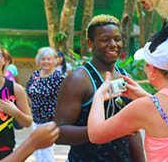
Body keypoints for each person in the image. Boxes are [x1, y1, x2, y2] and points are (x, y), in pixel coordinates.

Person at [87, 36, 168, 162]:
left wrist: (99, 95)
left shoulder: (146, 107)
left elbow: (95, 134)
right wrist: (146, 96)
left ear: (152, 70)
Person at [53, 15, 144, 161]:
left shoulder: (125, 77)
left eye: (117, 39)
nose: (113, 44)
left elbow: (133, 131)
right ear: (90, 43)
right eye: (104, 40)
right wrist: (106, 130)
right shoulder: (78, 80)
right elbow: (58, 133)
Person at [26, 47, 65, 162]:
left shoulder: (59, 77)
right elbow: (28, 90)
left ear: (55, 61)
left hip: (50, 120)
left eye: (49, 59)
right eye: (43, 59)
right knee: (37, 148)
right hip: (36, 118)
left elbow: (66, 97)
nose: (46, 62)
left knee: (46, 150)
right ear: (39, 60)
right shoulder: (36, 75)